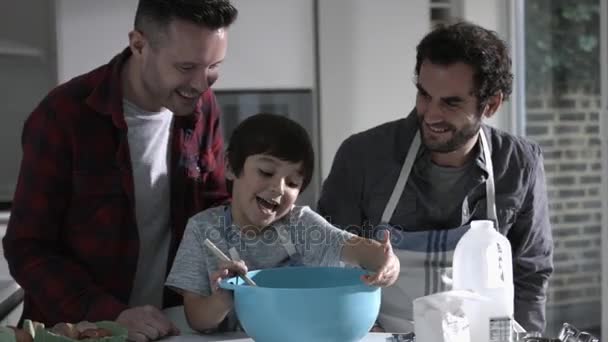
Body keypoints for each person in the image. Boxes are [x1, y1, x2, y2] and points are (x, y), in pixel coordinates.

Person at [3, 1, 237, 341]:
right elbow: (28, 247)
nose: (202, 83)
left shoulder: (203, 107)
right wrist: (111, 315)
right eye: (186, 66)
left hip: (170, 329)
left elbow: (212, 208)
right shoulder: (63, 115)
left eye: (214, 65)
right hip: (82, 331)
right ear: (139, 44)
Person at [318, 22, 554, 334]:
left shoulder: (519, 164)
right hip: (383, 335)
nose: (431, 114)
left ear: (491, 104)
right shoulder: (362, 156)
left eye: (451, 102)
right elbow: (329, 262)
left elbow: (529, 274)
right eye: (424, 95)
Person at [165, 113, 400, 332]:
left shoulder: (301, 224)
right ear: (229, 166)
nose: (278, 188)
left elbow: (358, 249)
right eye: (266, 172)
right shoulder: (202, 229)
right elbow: (196, 319)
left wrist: (387, 262)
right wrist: (226, 294)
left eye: (292, 183)